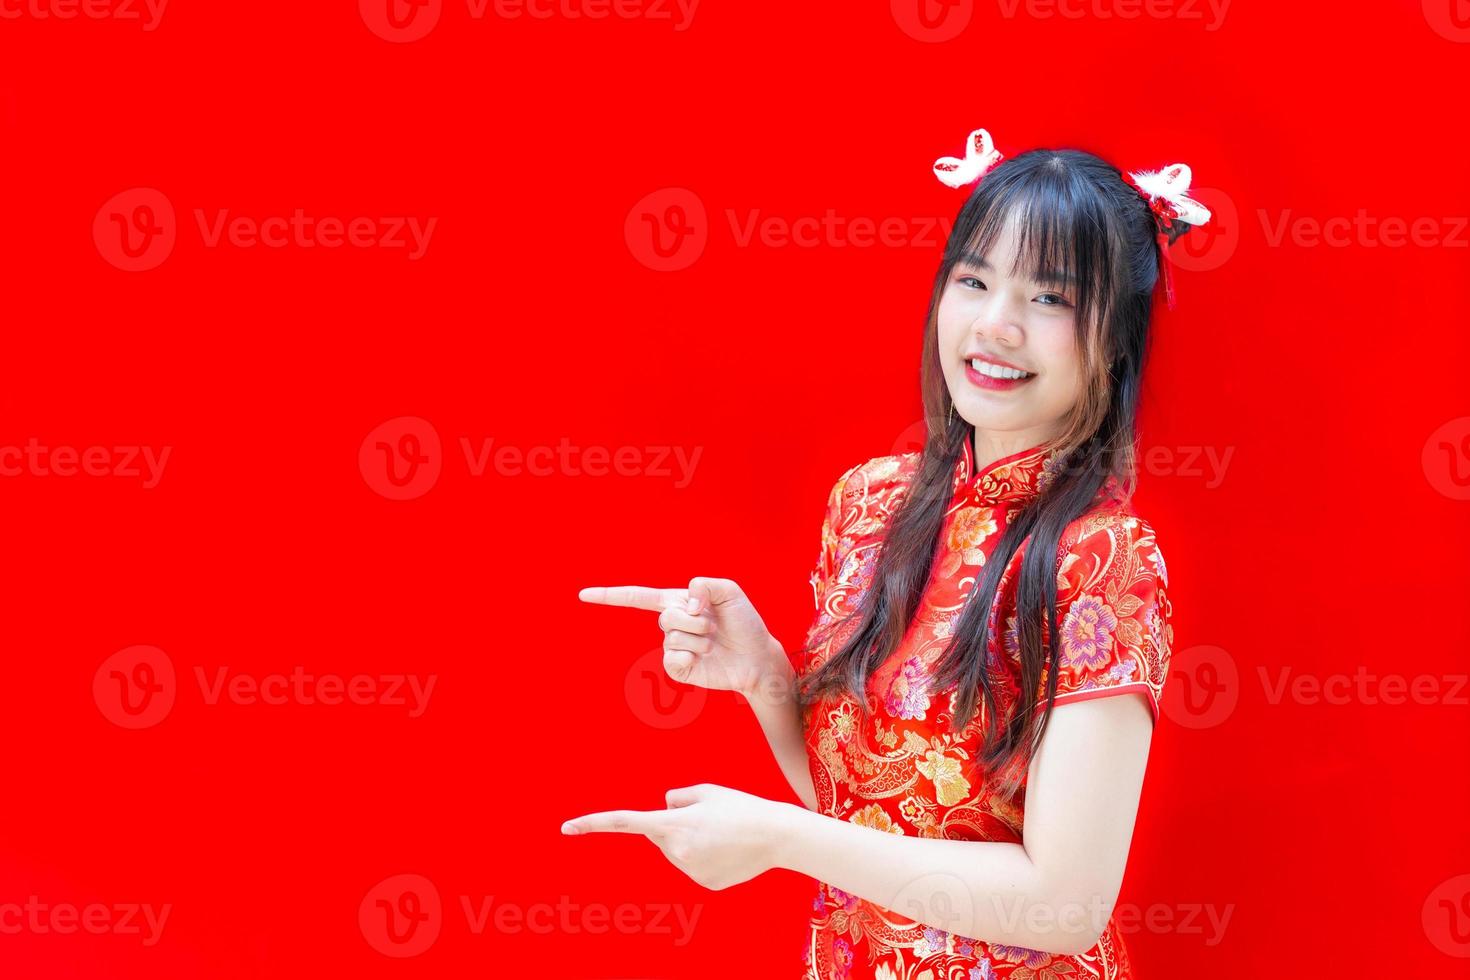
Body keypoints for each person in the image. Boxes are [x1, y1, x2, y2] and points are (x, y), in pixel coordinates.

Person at [565, 126, 1209, 979]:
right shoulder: (870, 504)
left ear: (1115, 337)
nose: (995, 324)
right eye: (973, 280)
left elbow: (1065, 905)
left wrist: (775, 840)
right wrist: (766, 682)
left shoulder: (1104, 560)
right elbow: (865, 813)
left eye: (1049, 299)